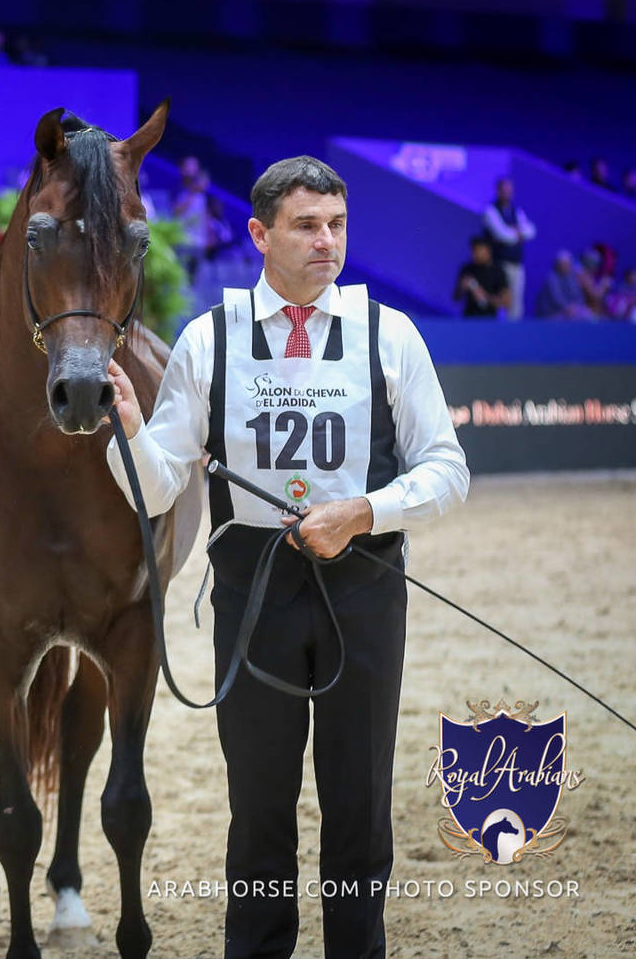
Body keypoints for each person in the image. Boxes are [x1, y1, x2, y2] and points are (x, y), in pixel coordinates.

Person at [104, 156, 469, 958]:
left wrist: (365, 510)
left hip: (365, 589)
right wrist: (130, 431)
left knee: (360, 801)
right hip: (253, 594)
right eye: (307, 225)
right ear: (259, 233)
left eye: (337, 224)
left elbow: (448, 470)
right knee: (259, 805)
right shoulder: (210, 340)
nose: (326, 241)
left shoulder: (390, 334)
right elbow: (157, 487)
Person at [481, 177, 535, 321]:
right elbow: (502, 234)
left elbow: (531, 231)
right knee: (500, 300)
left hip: (517, 265)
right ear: (498, 191)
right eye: (505, 190)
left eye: (510, 190)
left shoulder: (516, 211)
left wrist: (515, 231)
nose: (508, 193)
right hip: (499, 264)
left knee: (516, 303)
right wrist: (518, 232)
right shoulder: (490, 211)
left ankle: (514, 336)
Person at [453, 234, 510, 318]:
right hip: (469, 319)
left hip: (490, 320)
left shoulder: (498, 271)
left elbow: (506, 302)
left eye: (479, 250)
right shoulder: (467, 269)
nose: (475, 254)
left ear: (488, 250)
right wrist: (462, 287)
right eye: (473, 250)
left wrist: (484, 296)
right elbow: (455, 297)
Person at [538, 250, 592, 319]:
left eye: (567, 264)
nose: (565, 266)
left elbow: (579, 296)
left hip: (570, 310)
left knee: (586, 313)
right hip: (552, 313)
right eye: (563, 264)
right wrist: (567, 307)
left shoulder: (572, 278)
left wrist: (575, 306)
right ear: (557, 265)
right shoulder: (552, 279)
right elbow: (557, 299)